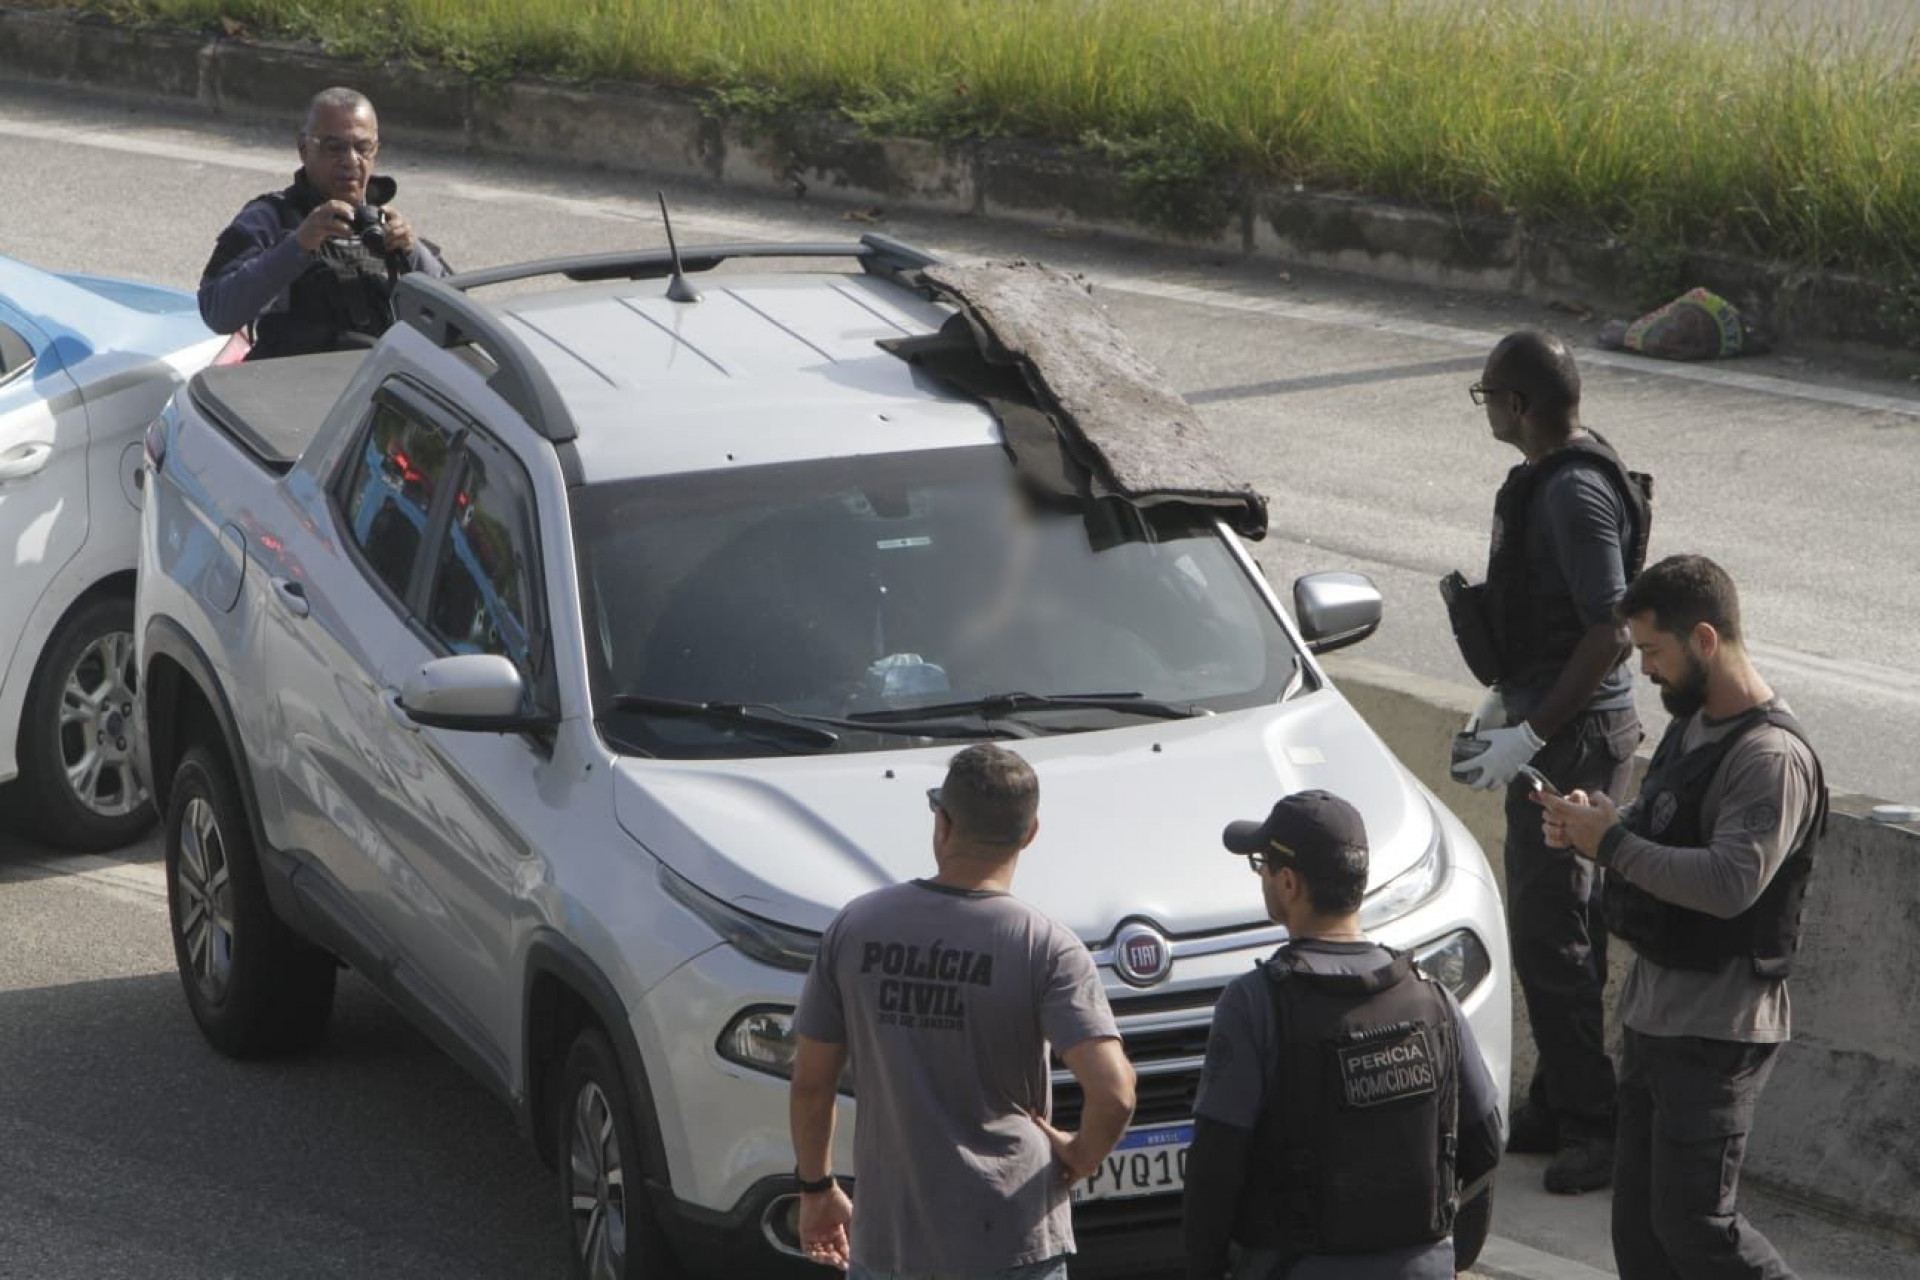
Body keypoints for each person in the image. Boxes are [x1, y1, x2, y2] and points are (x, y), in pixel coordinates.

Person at [1539, 555, 1823, 1280]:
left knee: (1698, 1228)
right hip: (1656, 1016)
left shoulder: (1771, 756)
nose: (1647, 671)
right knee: (1641, 1236)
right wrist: (1597, 823)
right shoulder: (1694, 725)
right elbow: (1663, 818)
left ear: (1703, 639)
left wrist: (1617, 844)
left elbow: (1733, 882)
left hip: (1719, 1028)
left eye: (1654, 652)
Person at [789, 743, 1137, 1279]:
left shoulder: (855, 928)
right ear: (1030, 833)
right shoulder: (1045, 946)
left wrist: (818, 1189)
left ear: (943, 823)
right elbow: (1114, 1094)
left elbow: (812, 1085)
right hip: (1013, 1238)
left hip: (892, 1246)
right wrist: (1082, 1154)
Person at [1443, 330, 1651, 1193]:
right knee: (1557, 924)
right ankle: (1557, 1100)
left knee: (1553, 931)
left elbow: (1610, 627)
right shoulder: (1559, 474)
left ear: (1518, 405)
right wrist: (1509, 705)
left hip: (1576, 739)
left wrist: (1532, 736)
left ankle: (1594, 1124)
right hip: (1557, 720)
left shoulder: (1571, 493)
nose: (1485, 407)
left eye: (1488, 394)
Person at [1184, 791, 1503, 1280]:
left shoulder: (1254, 1004)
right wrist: (1452, 1260)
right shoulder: (1431, 998)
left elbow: (1215, 1171)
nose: (1263, 877)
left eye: (1262, 866)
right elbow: (1485, 1144)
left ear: (1289, 883)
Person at [198, 86, 449, 360]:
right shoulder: (271, 219)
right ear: (304, 149)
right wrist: (298, 246)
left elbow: (460, 321)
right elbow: (217, 312)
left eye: (363, 148)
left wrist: (414, 254)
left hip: (377, 388)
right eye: (335, 148)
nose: (351, 161)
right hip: (292, 389)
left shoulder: (386, 228)